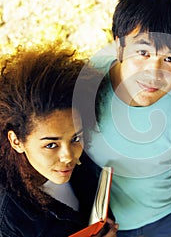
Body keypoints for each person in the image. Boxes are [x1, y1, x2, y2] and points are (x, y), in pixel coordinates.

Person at [86, 0, 171, 237]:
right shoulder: (89, 82)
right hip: (109, 223)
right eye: (142, 52)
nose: (153, 73)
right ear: (120, 46)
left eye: (170, 59)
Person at [0, 44, 118, 237]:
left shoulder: (80, 150)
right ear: (16, 141)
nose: (68, 157)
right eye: (51, 145)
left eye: (76, 138)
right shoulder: (8, 217)